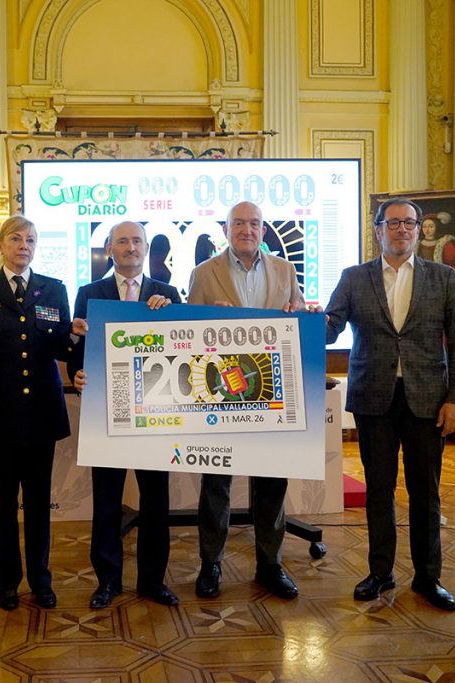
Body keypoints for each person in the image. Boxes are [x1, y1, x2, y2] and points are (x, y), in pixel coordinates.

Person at [324, 197, 455, 612]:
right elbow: (331, 327)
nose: (402, 229)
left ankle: (428, 577)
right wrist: (306, 321)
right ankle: (380, 571)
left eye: (410, 223)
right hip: (375, 401)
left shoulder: (443, 278)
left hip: (429, 402)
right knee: (379, 491)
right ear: (378, 231)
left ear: (419, 230)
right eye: (393, 223)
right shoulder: (354, 277)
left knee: (426, 493)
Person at [186, 200, 306, 600]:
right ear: (226, 229)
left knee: (272, 482)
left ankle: (270, 566)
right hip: (220, 394)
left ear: (263, 231)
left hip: (271, 394)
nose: (246, 230)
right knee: (216, 483)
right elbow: (186, 334)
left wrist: (296, 310)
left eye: (254, 223)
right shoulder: (203, 273)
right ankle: (210, 564)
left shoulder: (286, 271)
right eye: (238, 223)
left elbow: (299, 316)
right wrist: (206, 317)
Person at [0, 215, 86, 611]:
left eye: (31, 240)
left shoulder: (54, 290)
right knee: (4, 503)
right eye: (15, 239)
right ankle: (7, 583)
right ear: (0, 245)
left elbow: (60, 351)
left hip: (41, 415)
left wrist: (75, 335)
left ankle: (41, 579)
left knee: (38, 503)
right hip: (0, 417)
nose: (23, 246)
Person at [67, 221, 181, 609]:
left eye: (137, 241)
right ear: (109, 249)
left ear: (147, 248)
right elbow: (77, 350)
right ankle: (108, 581)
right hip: (107, 414)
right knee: (106, 501)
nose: (130, 247)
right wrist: (76, 373)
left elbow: (183, 349)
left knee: (155, 502)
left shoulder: (167, 293)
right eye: (122, 241)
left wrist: (170, 315)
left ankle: (152, 581)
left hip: (156, 415)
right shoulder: (89, 293)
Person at [417, 213, 455, 278]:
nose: (427, 230)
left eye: (431, 226)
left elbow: (452, 264)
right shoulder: (416, 244)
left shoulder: (445, 243)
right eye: (424, 227)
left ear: (436, 227)